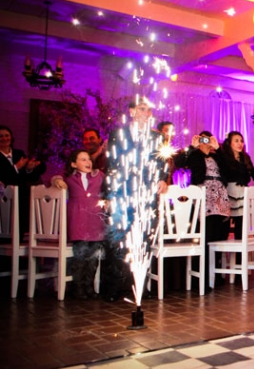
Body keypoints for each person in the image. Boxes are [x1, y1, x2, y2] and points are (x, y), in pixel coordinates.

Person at [103, 98, 168, 302]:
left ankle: (139, 286)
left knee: (144, 240)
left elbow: (162, 163)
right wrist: (109, 194)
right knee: (118, 239)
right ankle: (114, 287)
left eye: (149, 110)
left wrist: (164, 179)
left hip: (147, 197)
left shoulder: (157, 138)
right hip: (123, 194)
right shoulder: (118, 135)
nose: (146, 113)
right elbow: (112, 164)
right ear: (131, 112)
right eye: (142, 109)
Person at [52, 150, 106, 300]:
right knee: (80, 254)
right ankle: (78, 287)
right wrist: (57, 181)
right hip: (78, 219)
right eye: (83, 160)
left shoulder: (98, 176)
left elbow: (109, 188)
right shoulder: (69, 178)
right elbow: (55, 178)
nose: (88, 162)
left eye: (88, 159)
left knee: (94, 255)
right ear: (74, 164)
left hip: (95, 220)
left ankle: (89, 286)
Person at [186, 130, 230, 287]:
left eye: (208, 139)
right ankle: (202, 277)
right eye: (202, 139)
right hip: (203, 195)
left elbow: (228, 170)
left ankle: (216, 274)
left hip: (220, 197)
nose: (205, 142)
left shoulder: (217, 156)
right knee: (205, 235)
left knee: (219, 233)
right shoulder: (195, 156)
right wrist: (193, 148)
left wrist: (217, 149)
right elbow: (185, 163)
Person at [0, 124, 46, 235]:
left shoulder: (19, 153)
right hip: (4, 198)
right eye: (1, 136)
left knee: (20, 229)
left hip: (22, 196)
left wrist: (29, 169)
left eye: (7, 135)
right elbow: (3, 177)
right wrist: (16, 167)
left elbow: (26, 176)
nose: (4, 138)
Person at [220, 131, 254, 239]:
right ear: (229, 143)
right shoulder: (225, 157)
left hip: (243, 191)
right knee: (225, 224)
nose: (240, 143)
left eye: (241, 141)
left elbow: (252, 171)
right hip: (228, 191)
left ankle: (240, 254)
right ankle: (222, 253)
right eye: (236, 141)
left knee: (241, 224)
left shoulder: (245, 157)